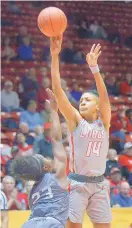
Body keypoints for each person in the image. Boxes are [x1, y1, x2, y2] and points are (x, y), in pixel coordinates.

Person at [50, 36, 112, 228]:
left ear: (97, 107)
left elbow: (104, 97)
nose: (82, 102)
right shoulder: (76, 121)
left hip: (100, 185)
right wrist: (54, 56)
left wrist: (94, 68)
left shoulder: (105, 123)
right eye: (81, 100)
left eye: (87, 100)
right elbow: (58, 90)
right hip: (77, 185)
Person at [12, 89, 69, 228]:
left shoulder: (31, 191)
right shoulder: (58, 177)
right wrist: (54, 112)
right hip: (52, 223)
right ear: (45, 167)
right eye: (43, 157)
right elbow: (56, 139)